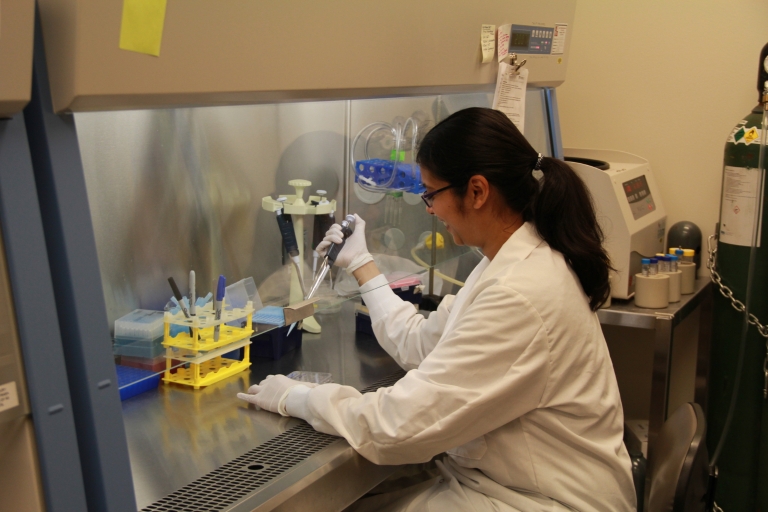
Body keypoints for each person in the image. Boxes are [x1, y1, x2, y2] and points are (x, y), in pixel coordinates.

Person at [238, 107, 637, 511]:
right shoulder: (506, 262)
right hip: (502, 485)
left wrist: (301, 398)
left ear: (477, 191)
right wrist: (363, 266)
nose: (429, 209)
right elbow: (421, 343)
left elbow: (398, 427)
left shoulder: (521, 292)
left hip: (544, 501)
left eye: (431, 195)